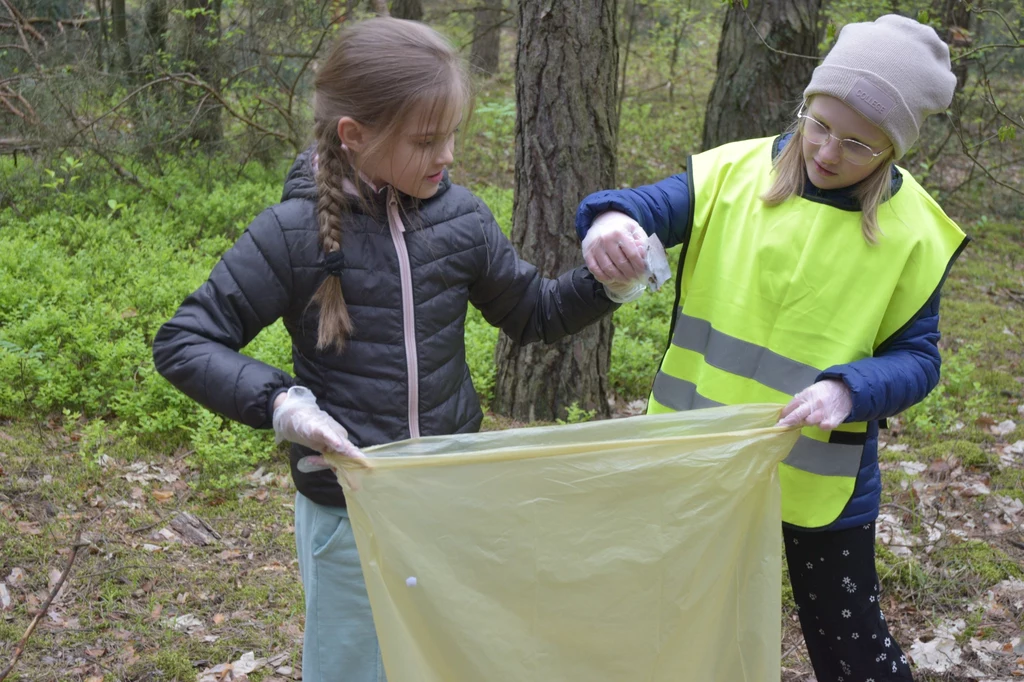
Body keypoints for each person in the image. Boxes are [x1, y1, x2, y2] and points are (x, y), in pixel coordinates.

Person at [152, 17, 616, 682]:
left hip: (448, 502)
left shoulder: (462, 221)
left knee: (443, 660)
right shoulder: (291, 234)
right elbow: (184, 341)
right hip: (349, 514)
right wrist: (284, 404)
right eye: (427, 139)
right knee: (354, 668)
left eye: (453, 133)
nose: (448, 154)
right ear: (354, 136)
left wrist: (612, 282)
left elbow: (534, 312)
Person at [575, 15, 967, 682]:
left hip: (823, 478)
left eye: (858, 143)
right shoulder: (730, 173)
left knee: (851, 648)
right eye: (818, 124)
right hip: (699, 456)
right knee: (677, 618)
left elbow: (920, 358)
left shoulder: (916, 234)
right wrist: (612, 220)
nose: (827, 151)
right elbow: (644, 205)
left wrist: (849, 390)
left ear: (893, 151)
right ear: (806, 104)